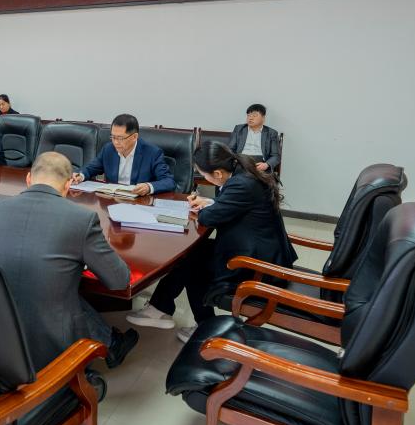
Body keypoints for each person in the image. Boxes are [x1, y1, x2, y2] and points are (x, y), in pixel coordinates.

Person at [0, 151, 138, 376]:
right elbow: (119, 280)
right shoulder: (82, 220)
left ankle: (110, 342)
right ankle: (106, 347)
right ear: (69, 184)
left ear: (28, 178)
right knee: (60, 286)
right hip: (54, 350)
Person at [126, 141, 295, 343]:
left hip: (259, 266)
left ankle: (198, 323)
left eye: (202, 174)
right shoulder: (242, 173)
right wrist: (211, 202)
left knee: (194, 265)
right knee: (193, 254)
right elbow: (233, 205)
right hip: (260, 250)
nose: (202, 177)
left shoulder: (241, 184)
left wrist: (206, 208)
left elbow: (208, 218)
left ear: (217, 174)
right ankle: (163, 309)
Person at [71, 114, 174, 196]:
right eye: (113, 137)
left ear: (134, 137)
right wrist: (80, 176)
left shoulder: (152, 153)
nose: (115, 142)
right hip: (112, 201)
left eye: (120, 138)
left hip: (139, 204)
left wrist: (148, 187)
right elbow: (91, 168)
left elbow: (169, 181)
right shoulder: (108, 149)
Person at [228, 103, 281, 172]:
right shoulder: (239, 129)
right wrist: (235, 159)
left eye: (254, 115)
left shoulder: (271, 133)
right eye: (248, 115)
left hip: (260, 163)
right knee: (240, 175)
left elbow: (276, 156)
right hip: (242, 161)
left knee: (254, 177)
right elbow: (230, 149)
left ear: (263, 118)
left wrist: (266, 164)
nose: (250, 118)